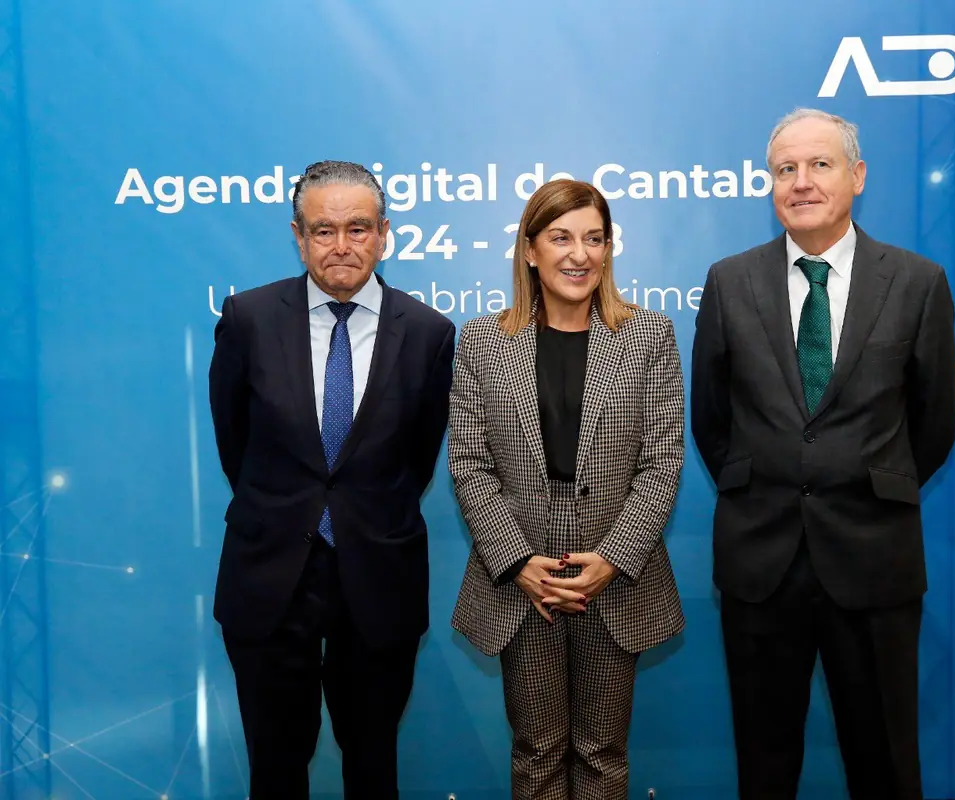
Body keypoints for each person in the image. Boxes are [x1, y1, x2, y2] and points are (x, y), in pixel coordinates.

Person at [691, 108, 955, 799]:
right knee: (765, 763)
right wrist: (766, 488)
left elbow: (932, 426)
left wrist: (867, 483)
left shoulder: (917, 282)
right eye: (786, 169)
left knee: (886, 765)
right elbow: (712, 420)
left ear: (857, 176)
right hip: (761, 563)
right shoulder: (729, 282)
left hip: (874, 560)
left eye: (819, 165)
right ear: (770, 183)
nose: (801, 182)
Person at [208, 160, 455, 799]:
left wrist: (358, 511)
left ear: (384, 233)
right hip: (270, 575)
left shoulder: (429, 332)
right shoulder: (248, 319)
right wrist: (291, 508)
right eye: (323, 230)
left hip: (379, 573)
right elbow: (234, 443)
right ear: (297, 235)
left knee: (372, 763)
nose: (341, 246)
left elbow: (419, 455)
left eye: (357, 228)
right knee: (276, 764)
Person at [448, 178, 686, 799]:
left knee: (603, 752)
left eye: (594, 238)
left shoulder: (648, 337)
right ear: (530, 250)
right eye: (561, 237)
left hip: (615, 570)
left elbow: (662, 462)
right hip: (522, 574)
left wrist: (613, 559)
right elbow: (469, 463)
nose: (579, 254)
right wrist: (516, 562)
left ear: (608, 251)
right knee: (537, 752)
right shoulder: (481, 341)